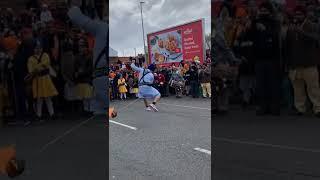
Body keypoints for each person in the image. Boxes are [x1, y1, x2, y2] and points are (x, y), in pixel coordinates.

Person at [68, 0, 108, 115]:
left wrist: (75, 5)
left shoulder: (102, 27)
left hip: (101, 78)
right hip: (104, 77)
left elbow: (76, 17)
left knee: (101, 112)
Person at [284, 6, 320, 116]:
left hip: (309, 64)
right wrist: (288, 63)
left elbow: (316, 39)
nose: (297, 16)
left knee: (313, 89)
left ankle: (318, 109)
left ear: (304, 15)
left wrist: (302, 32)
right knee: (298, 89)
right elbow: (287, 47)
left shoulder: (312, 26)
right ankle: (300, 109)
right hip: (295, 64)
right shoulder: (291, 28)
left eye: (300, 14)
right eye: (296, 14)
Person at [27, 40, 58, 121]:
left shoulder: (45, 55)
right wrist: (40, 67)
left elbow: (46, 63)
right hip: (37, 80)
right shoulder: (30, 59)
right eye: (36, 48)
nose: (38, 50)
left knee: (48, 97)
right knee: (39, 98)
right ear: (33, 49)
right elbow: (31, 70)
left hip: (46, 79)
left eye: (40, 48)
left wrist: (37, 67)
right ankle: (38, 115)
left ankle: (52, 113)